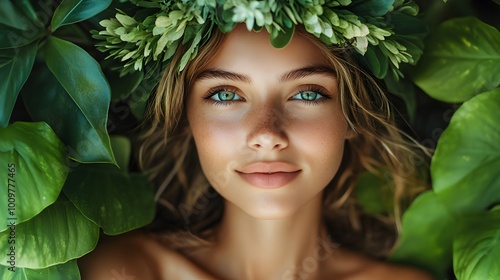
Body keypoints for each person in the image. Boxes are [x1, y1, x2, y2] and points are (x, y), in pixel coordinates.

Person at [80, 2, 433, 279]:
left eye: (308, 94)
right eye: (225, 95)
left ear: (352, 115)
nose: (266, 134)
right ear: (186, 116)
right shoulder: (124, 271)